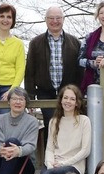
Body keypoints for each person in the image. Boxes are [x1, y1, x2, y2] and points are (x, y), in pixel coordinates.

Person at [9, 85, 91, 174]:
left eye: (72, 99)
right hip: (54, 164)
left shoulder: (84, 121)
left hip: (74, 166)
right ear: (60, 100)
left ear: (77, 102)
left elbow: (85, 150)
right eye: (65, 98)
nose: (68, 101)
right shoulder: (54, 121)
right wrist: (50, 163)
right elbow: (50, 148)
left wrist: (63, 164)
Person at [25, 6, 83, 148]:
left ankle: (68, 163)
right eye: (51, 18)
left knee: (69, 126)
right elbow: (30, 71)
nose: (55, 21)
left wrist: (80, 94)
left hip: (69, 92)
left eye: (58, 18)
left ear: (63, 20)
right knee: (50, 124)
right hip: (46, 92)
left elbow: (80, 71)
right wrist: (30, 97)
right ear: (46, 20)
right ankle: (49, 162)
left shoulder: (75, 43)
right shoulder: (36, 43)